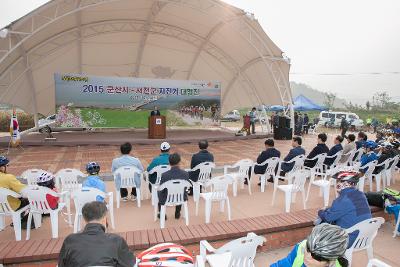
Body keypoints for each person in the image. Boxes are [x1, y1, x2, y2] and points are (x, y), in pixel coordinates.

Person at [58, 201, 135, 267]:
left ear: (84, 219)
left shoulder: (70, 241)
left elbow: (61, 264)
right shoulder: (116, 240)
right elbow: (130, 263)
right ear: (104, 219)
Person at [317, 171, 371, 248]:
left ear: (345, 183)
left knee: (320, 224)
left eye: (338, 181)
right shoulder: (360, 194)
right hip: (365, 237)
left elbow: (328, 218)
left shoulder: (342, 200)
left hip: (349, 239)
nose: (337, 184)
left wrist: (320, 212)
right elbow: (347, 209)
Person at [270, 223, 349, 267]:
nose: (307, 257)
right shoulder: (301, 248)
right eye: (308, 248)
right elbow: (286, 263)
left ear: (329, 261)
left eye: (315, 257)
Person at [0, 156, 31, 228]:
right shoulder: (8, 177)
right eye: (6, 165)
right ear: (2, 167)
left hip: (1, 206)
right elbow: (23, 190)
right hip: (12, 206)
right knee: (30, 200)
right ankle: (26, 220)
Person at [158, 153, 190, 219]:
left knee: (159, 192)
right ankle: (177, 212)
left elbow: (161, 188)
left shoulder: (164, 175)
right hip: (181, 197)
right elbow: (186, 188)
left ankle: (162, 213)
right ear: (179, 162)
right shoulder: (185, 174)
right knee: (180, 191)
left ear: (169, 163)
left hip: (166, 198)